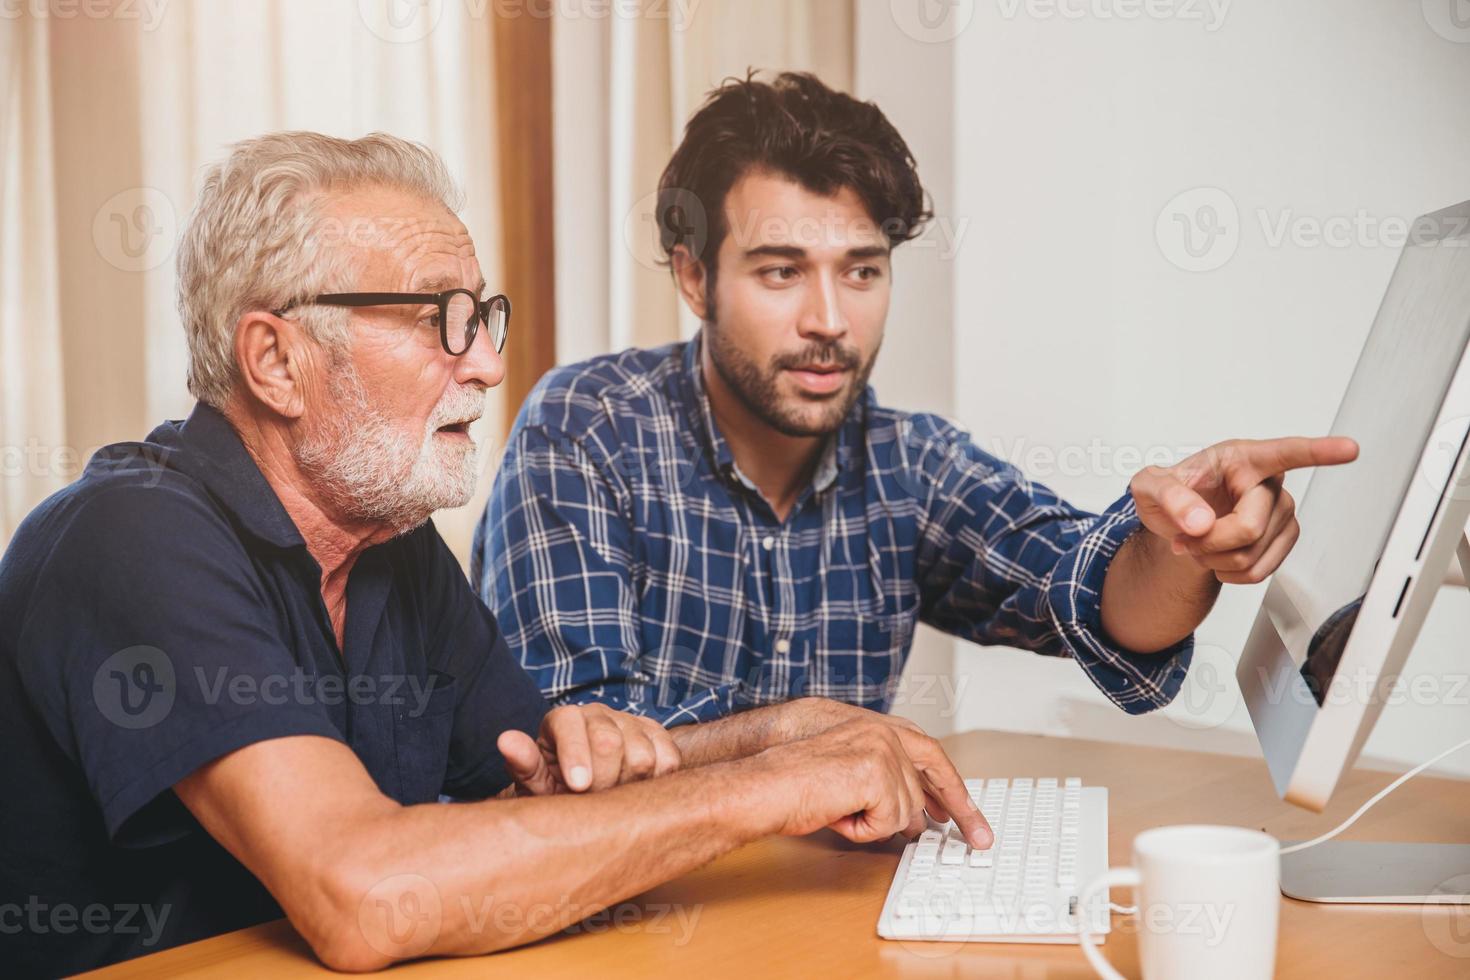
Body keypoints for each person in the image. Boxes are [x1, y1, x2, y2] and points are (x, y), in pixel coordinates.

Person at [0, 132, 991, 976]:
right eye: (442, 319)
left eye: (484, 315)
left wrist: (790, 735)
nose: (487, 361)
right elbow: (367, 890)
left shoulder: (387, 543)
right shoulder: (129, 536)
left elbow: (547, 788)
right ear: (275, 359)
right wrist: (782, 786)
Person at [475, 71, 1358, 727]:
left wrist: (1186, 545)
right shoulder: (583, 430)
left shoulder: (910, 464)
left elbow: (1085, 591)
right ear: (696, 276)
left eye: (862, 271)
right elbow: (576, 746)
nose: (829, 320)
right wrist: (808, 745)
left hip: (816, 921)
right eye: (781, 272)